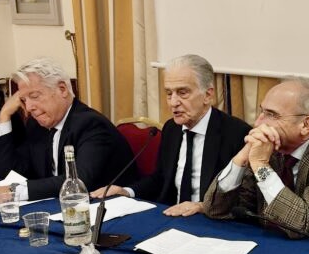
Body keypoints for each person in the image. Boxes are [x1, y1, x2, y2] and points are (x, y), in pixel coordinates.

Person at [202, 76, 309, 242]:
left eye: (271, 115)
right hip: (272, 242)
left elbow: (301, 223)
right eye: (262, 111)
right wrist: (242, 158)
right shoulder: (271, 144)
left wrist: (261, 166)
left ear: (305, 124)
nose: (258, 123)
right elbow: (215, 209)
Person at [0, 58, 137, 207]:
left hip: (110, 209)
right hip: (61, 207)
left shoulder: (90, 124)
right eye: (23, 100)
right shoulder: (37, 124)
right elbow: (10, 173)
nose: (28, 107)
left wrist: (11, 192)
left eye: (34, 96)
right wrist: (4, 115)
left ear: (62, 89)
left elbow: (78, 180)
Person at [91, 55, 250, 217]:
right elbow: (160, 178)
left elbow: (246, 202)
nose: (173, 102)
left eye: (182, 93)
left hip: (212, 221)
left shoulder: (237, 134)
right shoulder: (172, 129)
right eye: (169, 93)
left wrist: (203, 206)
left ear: (208, 95)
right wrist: (127, 191)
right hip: (172, 216)